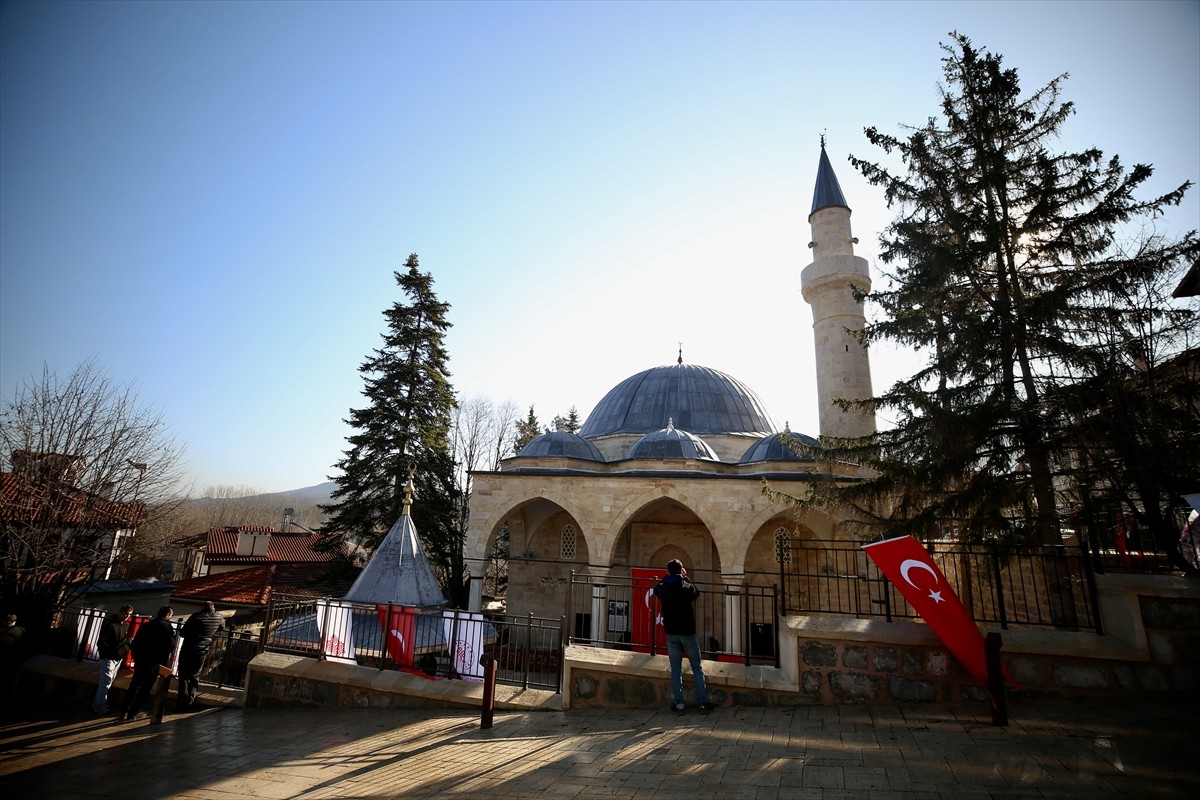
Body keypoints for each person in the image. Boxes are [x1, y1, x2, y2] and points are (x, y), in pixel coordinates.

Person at [652, 559, 714, 715]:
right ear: (681, 571)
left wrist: (666, 578)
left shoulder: (663, 588)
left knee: (675, 671)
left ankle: (679, 705)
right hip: (688, 633)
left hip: (672, 634)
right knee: (697, 668)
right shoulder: (686, 587)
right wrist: (685, 577)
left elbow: (656, 589)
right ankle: (703, 703)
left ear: (668, 571)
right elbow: (696, 592)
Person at [118, 606, 174, 722]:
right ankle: (134, 712)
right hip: (155, 663)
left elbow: (136, 642)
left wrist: (136, 656)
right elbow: (169, 646)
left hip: (141, 660)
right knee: (146, 688)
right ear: (168, 615)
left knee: (134, 685)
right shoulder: (167, 628)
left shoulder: (146, 625)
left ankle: (124, 712)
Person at [176, 601, 223, 710]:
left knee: (183, 674)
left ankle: (181, 701)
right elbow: (221, 627)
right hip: (203, 649)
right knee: (195, 674)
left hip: (188, 648)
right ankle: (191, 700)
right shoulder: (219, 617)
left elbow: (183, 633)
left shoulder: (195, 617)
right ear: (213, 608)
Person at [92, 605, 133, 713]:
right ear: (120, 612)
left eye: (129, 615)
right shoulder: (110, 625)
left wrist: (125, 649)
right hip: (109, 657)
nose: (127, 616)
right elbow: (102, 641)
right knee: (106, 682)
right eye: (126, 614)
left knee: (107, 682)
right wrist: (111, 651)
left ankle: (99, 703)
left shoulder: (124, 625)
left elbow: (123, 641)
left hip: (117, 657)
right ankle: (99, 704)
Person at [0, 613, 27, 705]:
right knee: (9, 682)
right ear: (14, 622)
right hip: (12, 661)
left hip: (6, 660)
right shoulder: (21, 631)